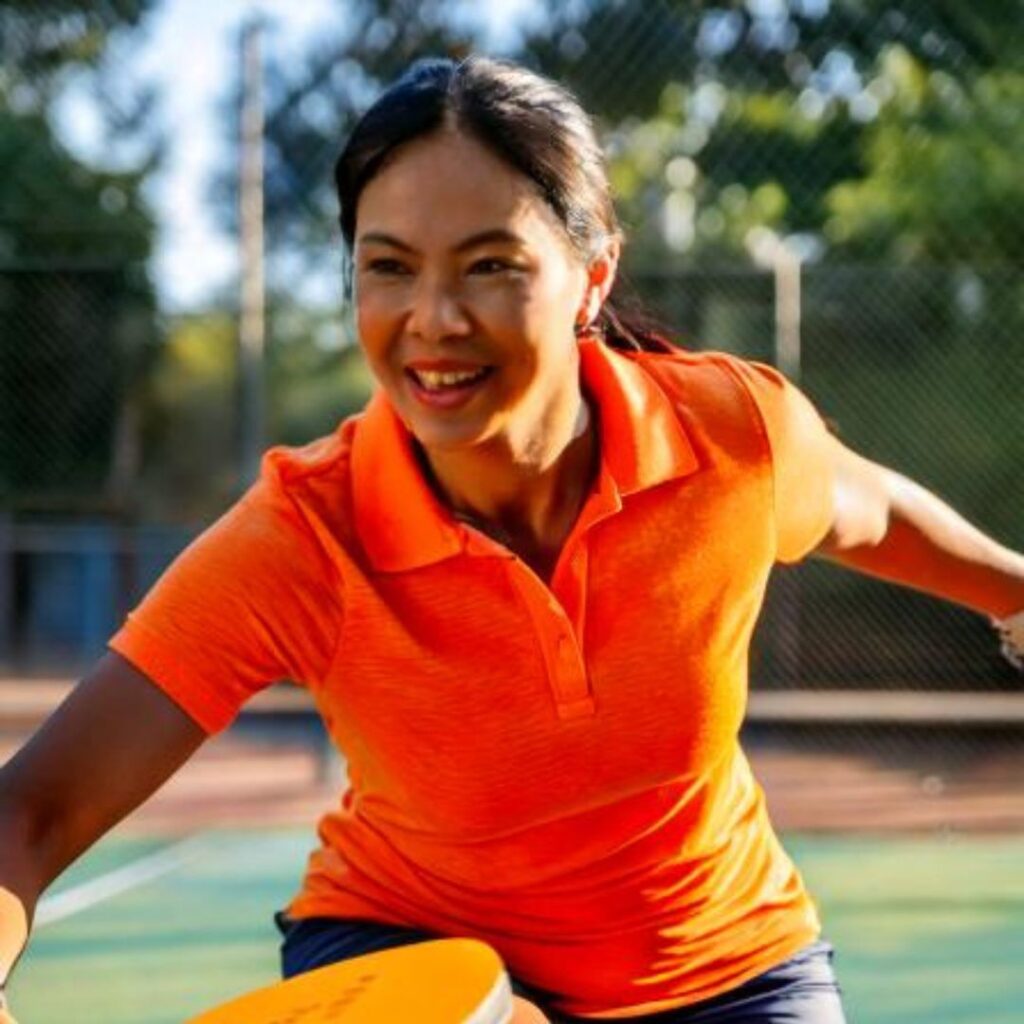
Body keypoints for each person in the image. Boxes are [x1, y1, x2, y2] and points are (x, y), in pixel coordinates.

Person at [1, 55, 1022, 1024]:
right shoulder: (301, 536)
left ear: (590, 275)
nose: (432, 317)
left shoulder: (730, 440)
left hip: (721, 962)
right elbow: (32, 811)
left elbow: (871, 510)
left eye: (490, 265)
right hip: (412, 956)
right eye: (387, 267)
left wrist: (1013, 594)